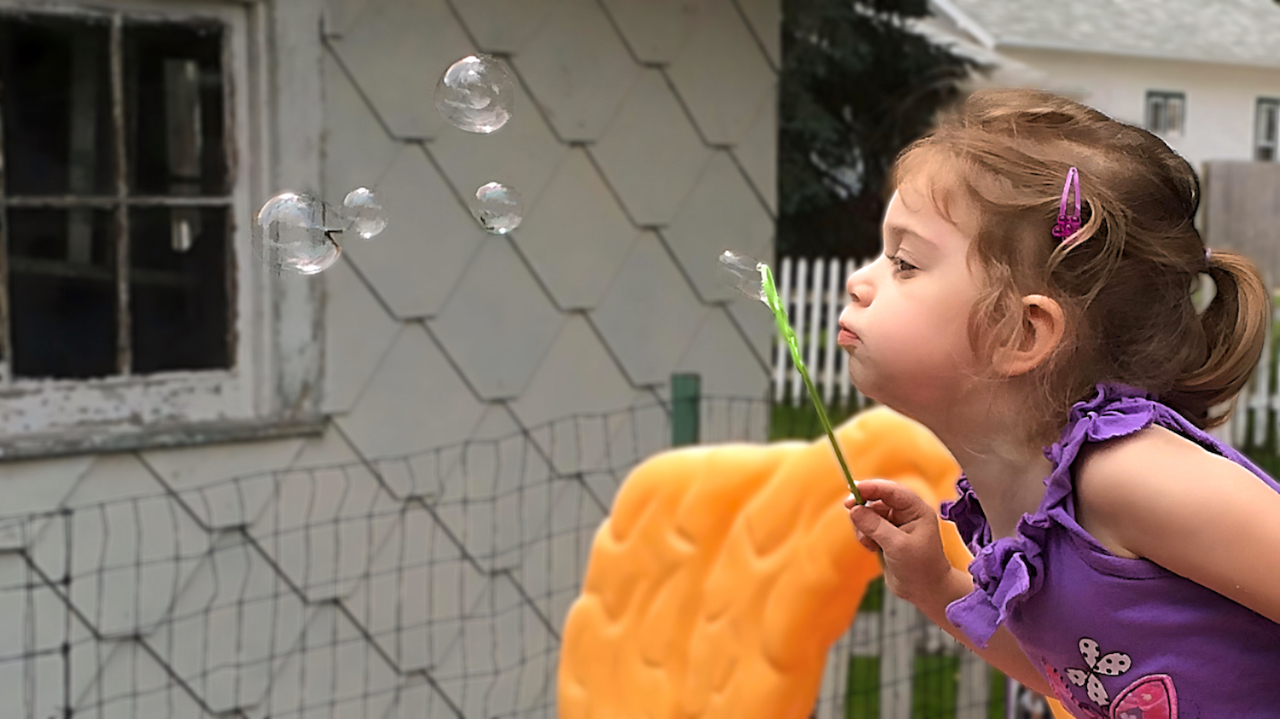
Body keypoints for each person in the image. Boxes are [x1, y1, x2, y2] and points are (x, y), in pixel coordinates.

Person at [839, 88, 1280, 718]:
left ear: (1023, 334)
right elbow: (1078, 683)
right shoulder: (1032, 508)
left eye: (905, 261)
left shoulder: (1131, 476)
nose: (860, 281)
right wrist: (939, 587)